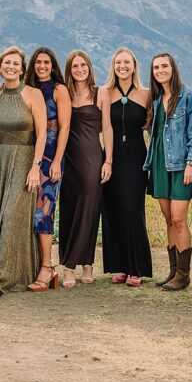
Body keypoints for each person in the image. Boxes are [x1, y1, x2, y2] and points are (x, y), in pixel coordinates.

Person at [0, 46, 48, 298]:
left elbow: (42, 134)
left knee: (11, 216)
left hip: (24, 160)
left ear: (22, 68)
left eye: (16, 63)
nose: (11, 66)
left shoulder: (33, 94)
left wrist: (35, 166)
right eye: (6, 62)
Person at [143, 52, 192, 291]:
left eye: (164, 66)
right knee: (168, 218)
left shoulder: (189, 97)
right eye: (156, 67)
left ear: (173, 68)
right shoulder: (158, 99)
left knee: (179, 219)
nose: (160, 70)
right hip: (159, 165)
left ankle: (184, 274)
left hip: (181, 165)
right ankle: (172, 271)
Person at [57, 50, 113, 286]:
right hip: (68, 159)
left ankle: (81, 263)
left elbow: (107, 128)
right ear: (69, 70)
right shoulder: (65, 94)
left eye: (83, 65)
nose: (80, 69)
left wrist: (108, 160)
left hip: (92, 159)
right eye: (75, 66)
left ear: (89, 67)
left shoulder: (101, 92)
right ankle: (70, 263)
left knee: (90, 208)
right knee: (69, 209)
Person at [101, 48, 153, 287]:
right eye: (118, 62)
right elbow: (105, 128)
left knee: (133, 210)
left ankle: (136, 268)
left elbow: (151, 125)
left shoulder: (146, 94)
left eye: (127, 62)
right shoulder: (104, 92)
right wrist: (107, 160)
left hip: (135, 158)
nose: (122, 66)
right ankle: (119, 265)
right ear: (113, 66)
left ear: (134, 65)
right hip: (111, 157)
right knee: (113, 211)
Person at [22, 47, 70, 291]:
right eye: (38, 62)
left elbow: (64, 128)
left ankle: (47, 267)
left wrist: (57, 162)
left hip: (50, 159)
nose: (42, 66)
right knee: (28, 211)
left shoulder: (59, 90)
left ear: (52, 66)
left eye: (46, 62)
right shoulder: (27, 88)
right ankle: (29, 264)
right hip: (27, 156)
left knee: (44, 210)